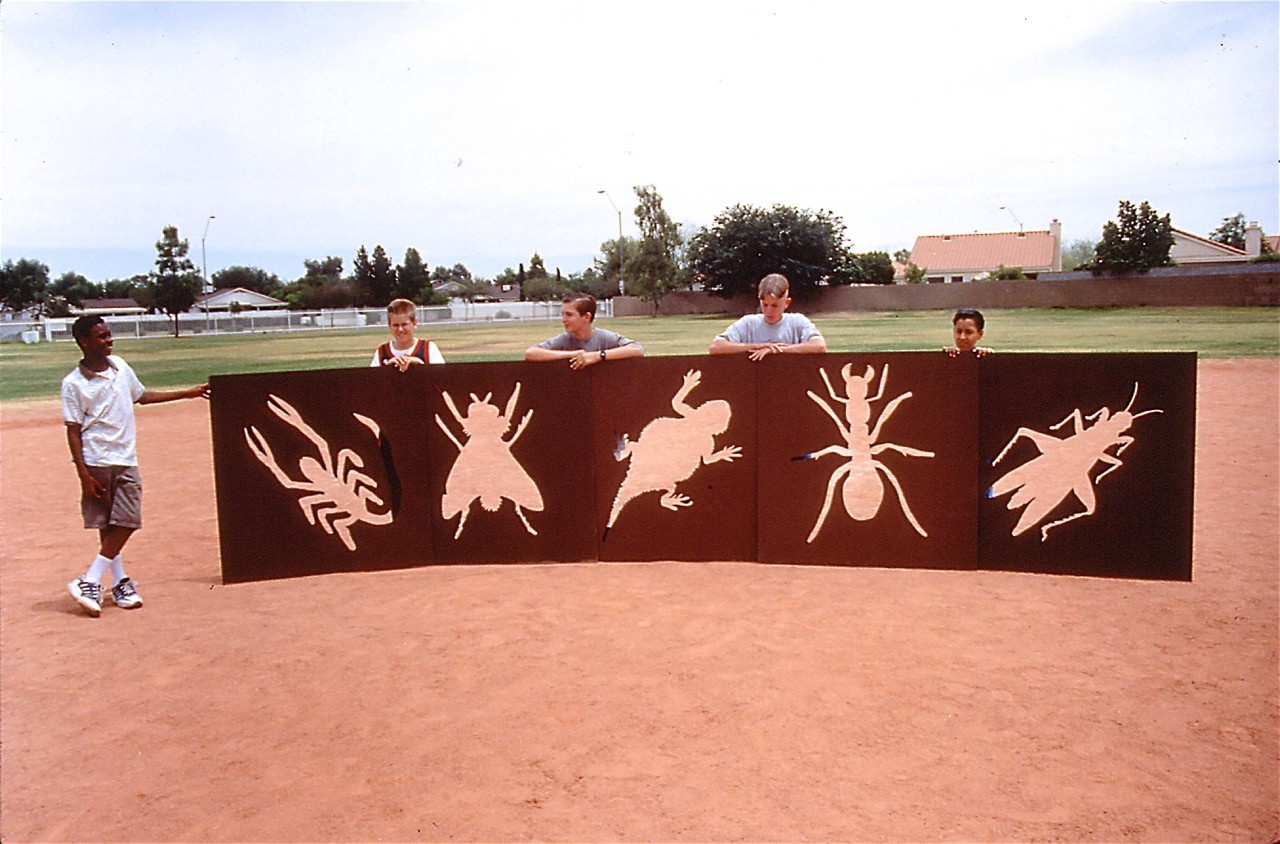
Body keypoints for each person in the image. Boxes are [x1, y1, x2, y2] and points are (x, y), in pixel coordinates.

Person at [63, 315, 210, 617]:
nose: (109, 340)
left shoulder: (120, 366)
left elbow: (141, 396)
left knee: (126, 520)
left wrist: (187, 392)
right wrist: (84, 475)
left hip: (126, 458)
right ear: (84, 342)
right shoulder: (74, 384)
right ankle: (111, 582)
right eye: (101, 336)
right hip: (97, 460)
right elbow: (73, 430)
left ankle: (96, 580)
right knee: (112, 524)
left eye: (109, 334)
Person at [708, 273, 827, 360]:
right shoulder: (748, 323)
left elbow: (819, 346)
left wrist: (777, 351)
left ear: (787, 303)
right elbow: (716, 347)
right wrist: (757, 346)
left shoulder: (798, 321)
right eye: (765, 305)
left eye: (775, 305)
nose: (769, 311)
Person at [524, 294, 644, 370]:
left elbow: (637, 350)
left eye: (569, 315)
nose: (563, 320)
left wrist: (598, 356)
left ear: (586, 317)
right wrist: (573, 354)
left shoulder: (604, 337)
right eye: (563, 314)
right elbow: (530, 353)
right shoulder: (564, 339)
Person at [372, 298, 445, 371]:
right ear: (389, 326)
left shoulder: (428, 348)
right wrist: (386, 368)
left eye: (404, 324)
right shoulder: (381, 352)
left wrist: (421, 365)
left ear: (414, 324)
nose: (400, 329)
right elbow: (372, 380)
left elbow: (442, 378)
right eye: (395, 325)